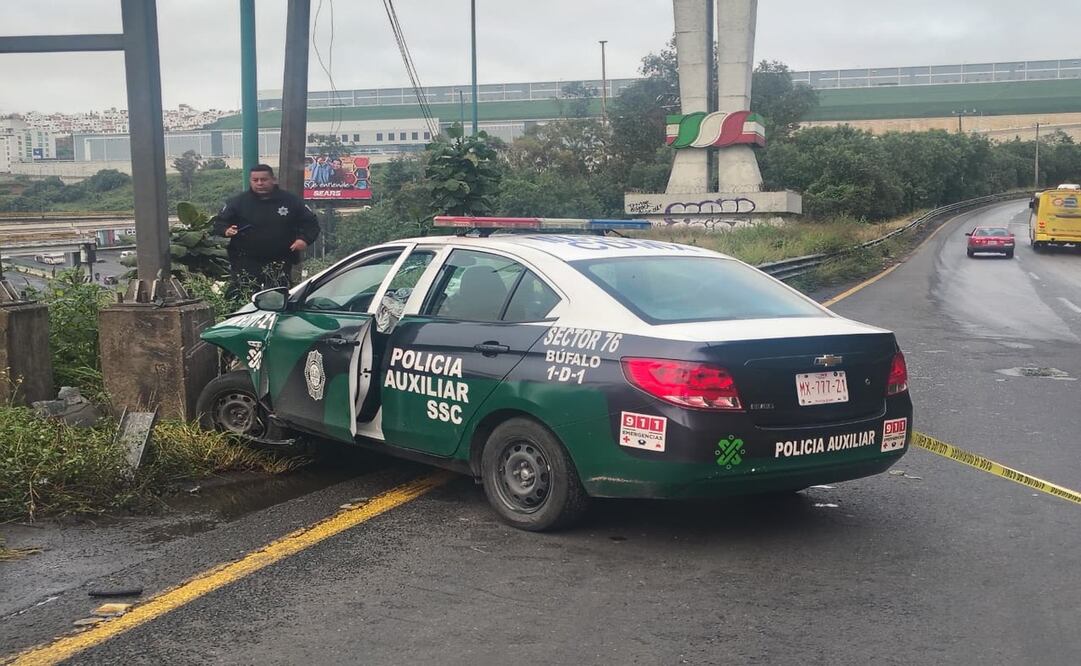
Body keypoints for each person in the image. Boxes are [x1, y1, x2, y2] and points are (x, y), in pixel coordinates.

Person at [211, 164, 320, 293]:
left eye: (264, 180)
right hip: (246, 261)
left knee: (278, 296)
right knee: (242, 295)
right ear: (250, 181)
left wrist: (304, 239)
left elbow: (311, 224)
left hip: (280, 260)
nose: (259, 183)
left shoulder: (291, 201)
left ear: (273, 180)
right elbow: (219, 223)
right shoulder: (238, 202)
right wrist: (226, 230)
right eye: (255, 180)